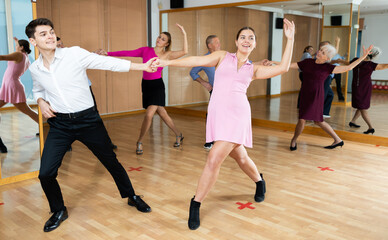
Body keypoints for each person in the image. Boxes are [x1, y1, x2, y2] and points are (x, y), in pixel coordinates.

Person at [153, 19, 296, 230]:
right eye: (243, 37)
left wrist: (290, 39)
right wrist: (168, 62)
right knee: (241, 156)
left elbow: (283, 68)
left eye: (251, 38)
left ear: (254, 44)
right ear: (236, 41)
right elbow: (195, 59)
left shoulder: (253, 69)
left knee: (213, 158)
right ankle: (259, 181)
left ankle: (196, 203)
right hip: (218, 113)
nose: (247, 40)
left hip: (238, 115)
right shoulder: (222, 57)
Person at [25, 18, 154, 232]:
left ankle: (131, 196)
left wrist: (142, 66)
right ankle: (58, 210)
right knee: (45, 173)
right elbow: (38, 90)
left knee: (110, 161)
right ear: (33, 41)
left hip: (88, 120)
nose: (49, 36)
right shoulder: (36, 68)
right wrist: (40, 101)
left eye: (51, 32)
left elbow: (108, 63)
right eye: (43, 34)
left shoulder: (73, 53)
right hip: (60, 124)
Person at [96, 24, 187, 155]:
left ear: (167, 43)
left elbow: (185, 52)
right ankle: (179, 134)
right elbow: (127, 53)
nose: (159, 39)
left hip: (157, 86)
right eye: (159, 37)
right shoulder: (145, 50)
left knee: (149, 114)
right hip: (146, 85)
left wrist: (183, 33)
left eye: (163, 39)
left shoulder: (167, 55)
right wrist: (108, 54)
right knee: (162, 113)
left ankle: (139, 141)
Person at [283, 44, 373, 151]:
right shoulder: (307, 62)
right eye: (320, 50)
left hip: (316, 97)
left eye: (323, 52)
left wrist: (363, 56)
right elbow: (287, 65)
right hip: (305, 95)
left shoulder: (327, 68)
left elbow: (349, 67)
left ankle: (294, 140)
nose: (319, 52)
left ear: (327, 58)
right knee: (318, 121)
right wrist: (273, 63)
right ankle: (338, 140)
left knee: (303, 119)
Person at [56, 36, 117, 151]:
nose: (62, 47)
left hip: (85, 90)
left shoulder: (71, 54)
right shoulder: (54, 62)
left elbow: (85, 58)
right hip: (68, 94)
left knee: (95, 117)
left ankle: (107, 143)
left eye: (62, 44)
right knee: (64, 119)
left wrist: (95, 53)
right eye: (59, 45)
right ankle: (65, 143)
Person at [0, 37, 39, 153]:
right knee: (28, 111)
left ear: (21, 48)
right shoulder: (26, 58)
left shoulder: (18, 55)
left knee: (28, 111)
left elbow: (2, 57)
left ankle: (47, 126)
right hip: (13, 85)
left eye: (17, 46)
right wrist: (17, 41)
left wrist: (18, 45)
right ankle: (44, 126)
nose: (16, 47)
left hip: (12, 86)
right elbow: (19, 50)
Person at [346, 47, 388, 134]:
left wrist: (337, 61)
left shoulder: (369, 64)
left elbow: (384, 66)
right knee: (362, 106)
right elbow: (347, 64)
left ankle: (361, 124)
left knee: (362, 106)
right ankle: (363, 125)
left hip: (363, 87)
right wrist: (336, 61)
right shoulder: (362, 62)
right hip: (360, 87)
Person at [189, 35, 220, 150]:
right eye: (216, 42)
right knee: (211, 115)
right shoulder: (205, 59)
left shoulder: (225, 57)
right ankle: (209, 140)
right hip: (215, 91)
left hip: (229, 92)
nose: (219, 44)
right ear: (209, 45)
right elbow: (193, 73)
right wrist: (204, 83)